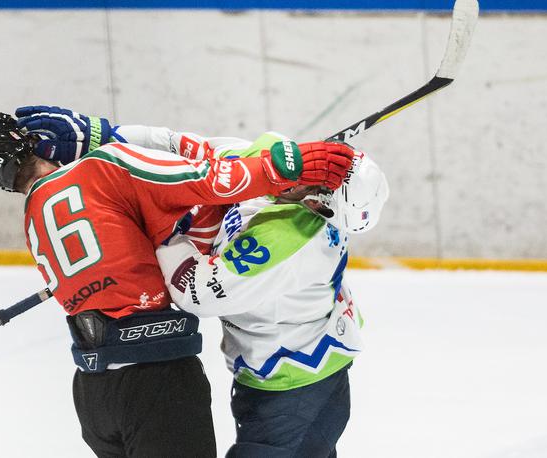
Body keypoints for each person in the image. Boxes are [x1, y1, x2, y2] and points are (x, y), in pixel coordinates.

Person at [0, 106, 356, 457]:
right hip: (155, 381)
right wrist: (285, 167)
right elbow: (211, 178)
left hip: (94, 394)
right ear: (27, 139)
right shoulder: (102, 168)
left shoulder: (34, 217)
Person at [154, 138, 389, 457]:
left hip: (288, 389)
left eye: (321, 205)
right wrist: (102, 134)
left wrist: (167, 235)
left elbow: (198, 293)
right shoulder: (278, 156)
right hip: (324, 367)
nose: (313, 202)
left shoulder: (286, 240)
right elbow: (205, 151)